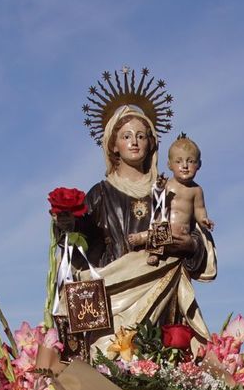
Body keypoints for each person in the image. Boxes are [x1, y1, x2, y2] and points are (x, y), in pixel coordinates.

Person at [71, 104, 216, 348]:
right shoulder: (100, 194)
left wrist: (191, 244)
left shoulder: (169, 189)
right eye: (126, 136)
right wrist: (66, 224)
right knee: (109, 363)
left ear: (151, 143)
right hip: (114, 288)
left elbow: (195, 234)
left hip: (161, 287)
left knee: (156, 360)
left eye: (141, 136)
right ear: (113, 145)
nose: (134, 142)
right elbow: (79, 249)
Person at [160, 133, 213, 255]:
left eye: (190, 161)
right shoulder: (167, 184)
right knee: (156, 233)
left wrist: (203, 220)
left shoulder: (196, 190)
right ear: (169, 165)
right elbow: (156, 204)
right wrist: (159, 188)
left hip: (182, 233)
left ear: (199, 164)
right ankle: (150, 247)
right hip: (164, 230)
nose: (184, 166)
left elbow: (199, 209)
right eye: (178, 161)